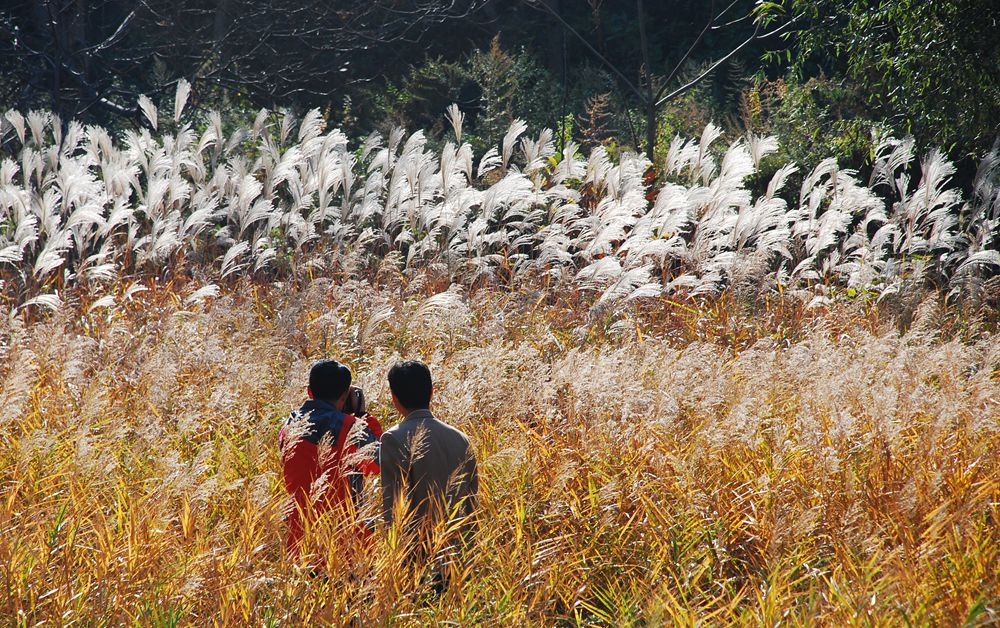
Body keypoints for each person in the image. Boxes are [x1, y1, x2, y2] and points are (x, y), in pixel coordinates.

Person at [379, 360, 478, 581]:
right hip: (457, 558)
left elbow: (393, 506)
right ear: (432, 392)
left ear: (394, 397)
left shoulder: (393, 438)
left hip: (416, 561)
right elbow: (472, 502)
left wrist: (391, 561)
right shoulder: (461, 438)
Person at [278, 359, 383, 557]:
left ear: (309, 391)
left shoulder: (289, 427)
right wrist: (363, 416)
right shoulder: (350, 427)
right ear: (344, 395)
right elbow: (378, 464)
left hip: (299, 537)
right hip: (344, 539)